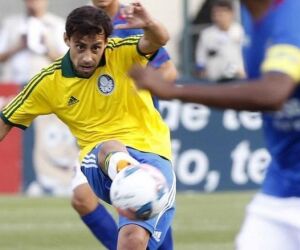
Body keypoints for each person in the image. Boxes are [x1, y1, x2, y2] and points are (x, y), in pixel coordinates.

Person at [0, 4, 176, 250]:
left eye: (96, 48)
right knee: (109, 148)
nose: (87, 57)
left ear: (106, 42)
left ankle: (135, 184)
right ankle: (128, 174)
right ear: (66, 40)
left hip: (153, 155)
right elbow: (5, 120)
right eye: (80, 47)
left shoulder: (123, 52)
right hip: (99, 161)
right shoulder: (48, 82)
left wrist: (150, 23)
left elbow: (159, 39)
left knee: (135, 242)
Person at [130, 0, 300, 249]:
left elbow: (274, 92)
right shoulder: (250, 18)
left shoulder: (291, 15)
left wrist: (173, 90)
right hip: (282, 185)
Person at [69, 0, 177, 249]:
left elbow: (168, 71)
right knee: (82, 198)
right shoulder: (81, 22)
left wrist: (129, 91)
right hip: (97, 135)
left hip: (139, 134)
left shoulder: (132, 21)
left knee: (145, 198)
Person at [195, 0, 245, 82]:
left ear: (231, 13)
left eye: (221, 14)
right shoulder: (206, 35)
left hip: (237, 78)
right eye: (215, 14)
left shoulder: (240, 32)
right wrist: (202, 71)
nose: (218, 17)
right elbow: (200, 59)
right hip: (215, 81)